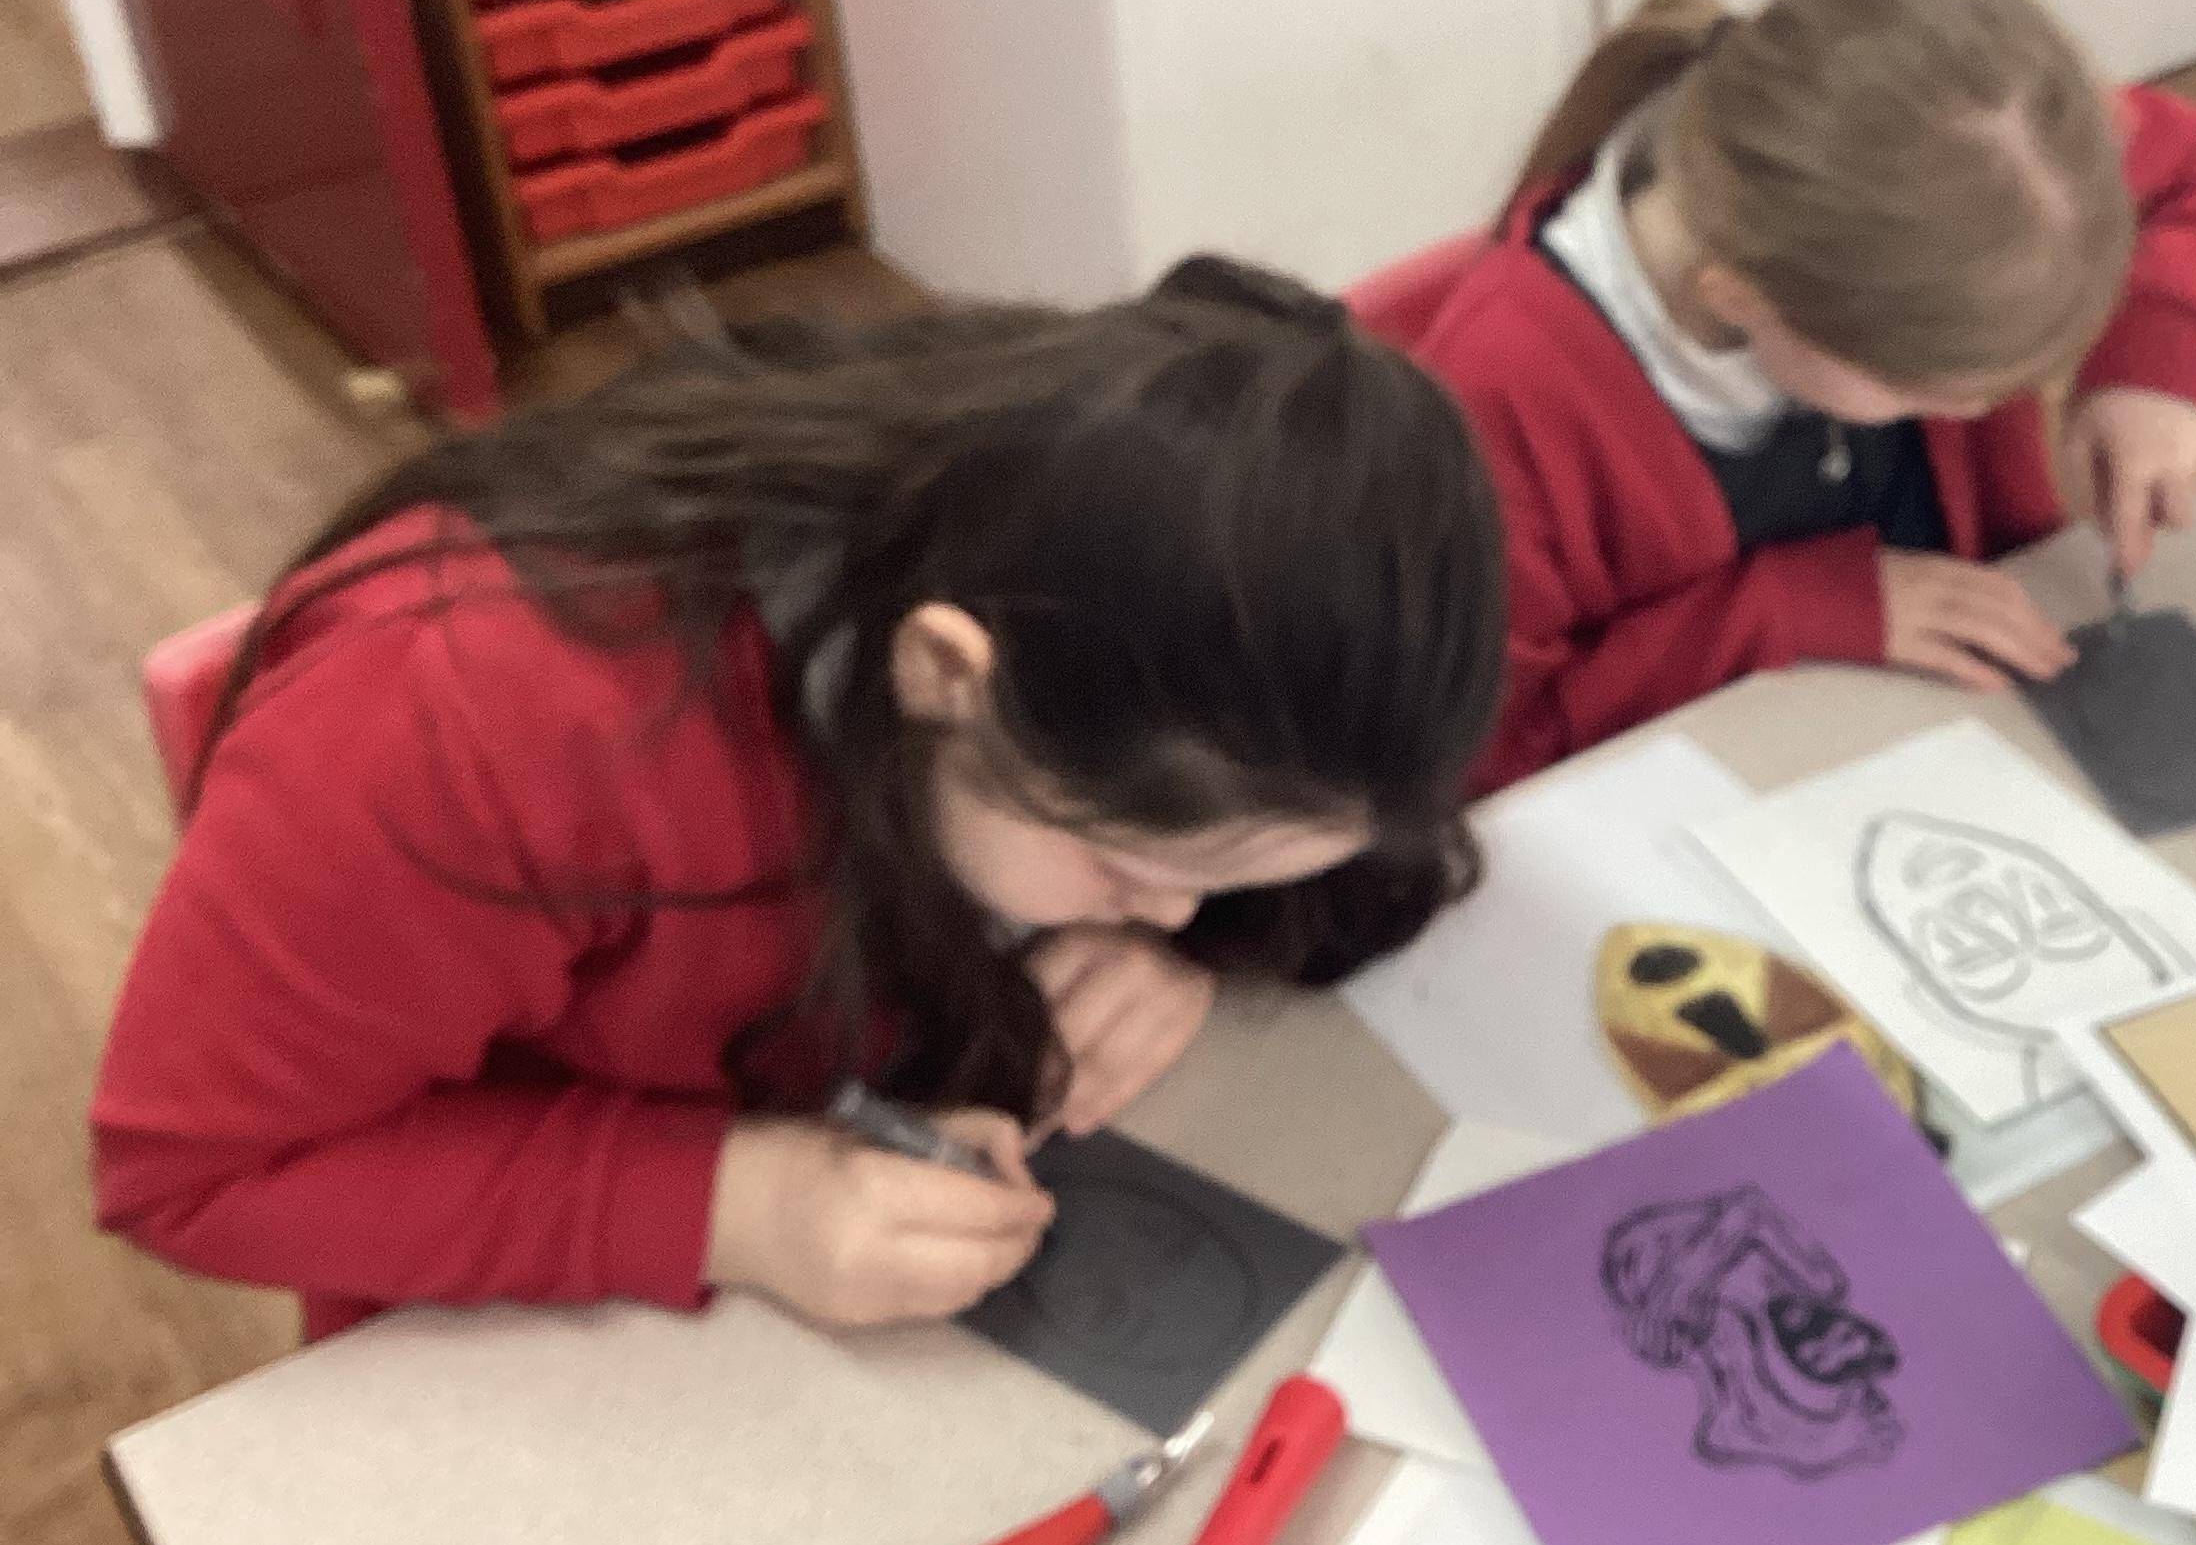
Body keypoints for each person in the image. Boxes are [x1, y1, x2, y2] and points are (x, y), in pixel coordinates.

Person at [91, 260, 1506, 1341]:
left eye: (1226, 882)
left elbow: (1313, 863)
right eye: (1125, 867)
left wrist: (1177, 945)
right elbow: (192, 1174)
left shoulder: (1143, 616)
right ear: (945, 671)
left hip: (845, 1160)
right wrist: (738, 1205)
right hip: (530, 1325)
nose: (1174, 911)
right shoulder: (464, 720)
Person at [1360, 0, 2196, 789]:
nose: (1986, 412)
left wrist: (2157, 358)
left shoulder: (1989, 168)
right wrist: (1788, 611)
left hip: (1949, 742)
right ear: (1743, 298)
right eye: (1931, 390)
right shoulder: (1501, 404)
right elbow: (1485, 753)